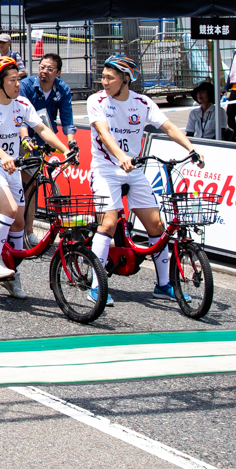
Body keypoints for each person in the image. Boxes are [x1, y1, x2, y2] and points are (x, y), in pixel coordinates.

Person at [87, 55, 203, 304]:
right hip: (105, 169)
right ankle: (97, 287)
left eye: (110, 78)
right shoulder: (96, 100)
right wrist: (119, 156)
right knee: (107, 225)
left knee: (157, 227)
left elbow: (169, 127)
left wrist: (191, 149)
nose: (104, 82)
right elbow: (102, 131)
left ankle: (163, 285)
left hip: (134, 170)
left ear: (126, 79)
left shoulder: (142, 102)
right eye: (103, 77)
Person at [0, 56, 70, 299]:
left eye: (19, 79)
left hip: (12, 168)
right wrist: (3, 156)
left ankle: (11, 274)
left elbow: (42, 130)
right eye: (12, 80)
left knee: (19, 223)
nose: (18, 84)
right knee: (9, 210)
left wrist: (66, 150)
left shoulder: (22, 104)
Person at [20, 53, 75, 142]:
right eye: (42, 67)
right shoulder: (25, 86)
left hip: (45, 138)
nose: (45, 71)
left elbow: (67, 118)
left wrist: (72, 142)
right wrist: (25, 138)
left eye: (50, 69)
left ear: (58, 73)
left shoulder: (63, 89)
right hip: (22, 136)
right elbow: (21, 116)